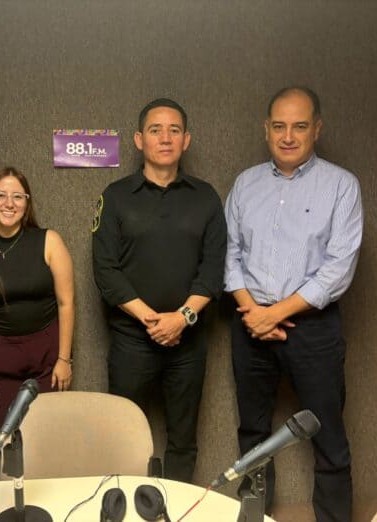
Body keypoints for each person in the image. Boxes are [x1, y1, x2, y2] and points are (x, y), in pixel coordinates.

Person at [224, 86, 363, 521]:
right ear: (265, 129)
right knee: (253, 432)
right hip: (249, 325)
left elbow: (338, 268)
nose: (288, 136)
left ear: (316, 129)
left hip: (313, 329)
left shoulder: (341, 186)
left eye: (299, 126)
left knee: (327, 434)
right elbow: (229, 254)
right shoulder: (245, 184)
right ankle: (255, 516)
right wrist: (253, 313)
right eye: (279, 126)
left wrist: (274, 314)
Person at [92, 99, 226, 482]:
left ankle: (175, 507)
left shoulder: (206, 197)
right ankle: (121, 505)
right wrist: (151, 319)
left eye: (174, 130)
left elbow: (214, 268)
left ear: (186, 140)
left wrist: (181, 319)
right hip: (132, 339)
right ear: (139, 139)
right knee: (121, 436)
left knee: (183, 439)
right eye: (155, 130)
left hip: (188, 342)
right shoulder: (115, 196)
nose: (165, 138)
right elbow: (105, 270)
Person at [0, 167, 74, 450]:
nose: (9, 203)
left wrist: (64, 359)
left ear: (27, 203)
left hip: (47, 358)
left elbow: (67, 303)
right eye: (0, 195)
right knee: (3, 445)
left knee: (47, 443)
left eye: (18, 197)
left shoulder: (49, 241)